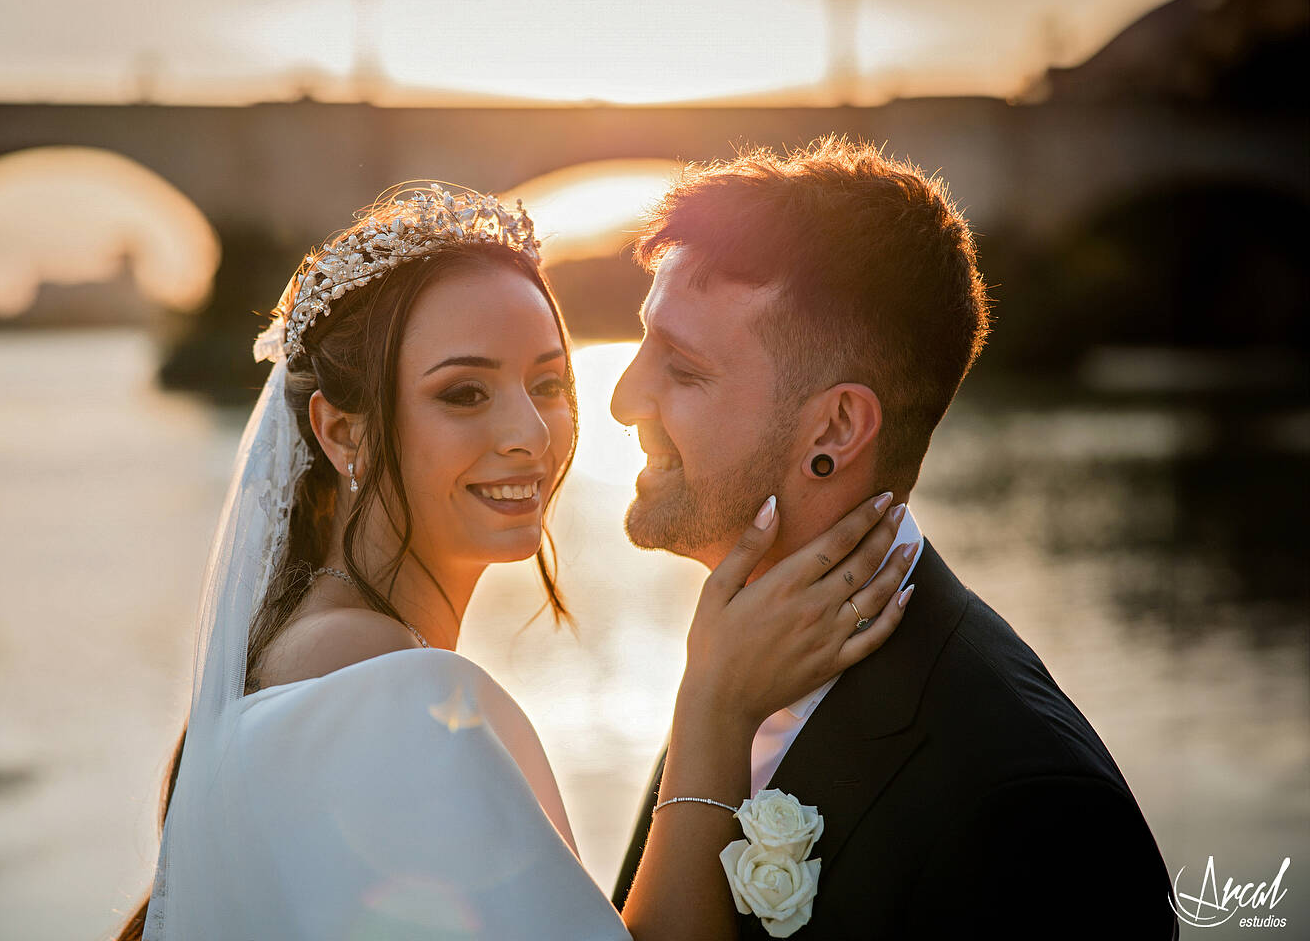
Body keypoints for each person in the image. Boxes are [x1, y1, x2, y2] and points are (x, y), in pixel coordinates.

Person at [114, 183, 918, 941]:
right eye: (465, 393)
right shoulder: (392, 691)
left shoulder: (307, 653)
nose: (529, 434)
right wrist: (713, 708)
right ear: (343, 432)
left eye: (547, 383)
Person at [609, 138, 1179, 939]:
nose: (624, 399)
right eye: (644, 346)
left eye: (684, 368)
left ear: (837, 427)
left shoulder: (1031, 813)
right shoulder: (732, 665)